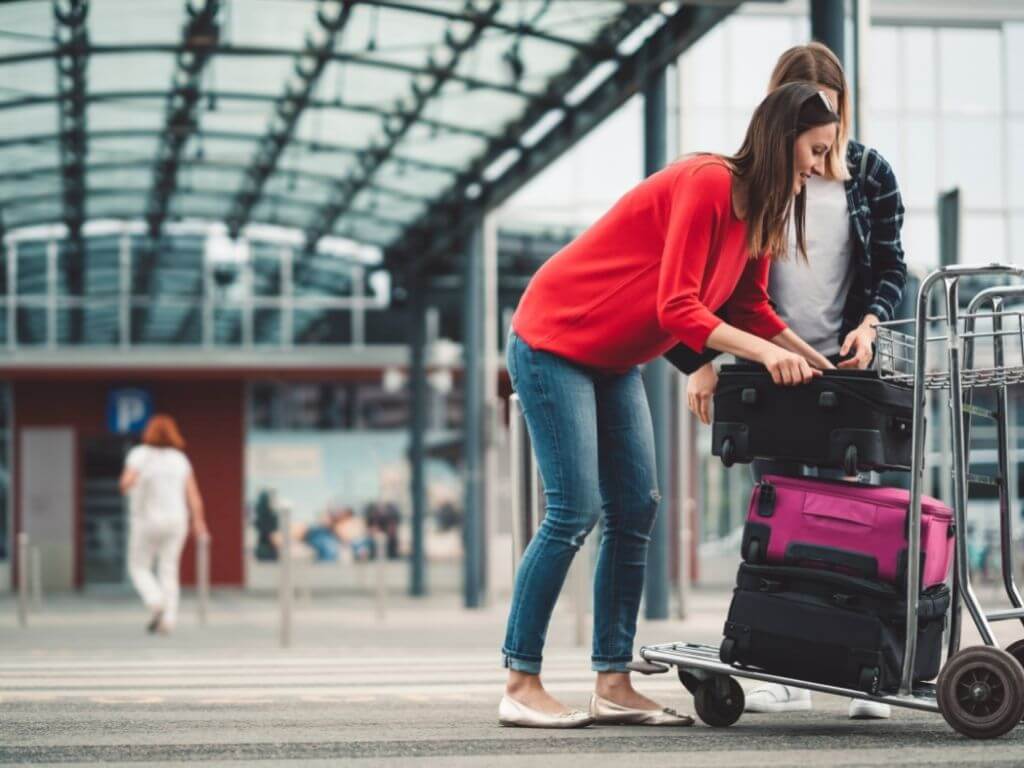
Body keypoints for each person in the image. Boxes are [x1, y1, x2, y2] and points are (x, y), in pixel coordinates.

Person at [500, 82, 840, 729]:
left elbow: (752, 310)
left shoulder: (760, 215)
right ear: (782, 138)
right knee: (575, 508)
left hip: (611, 356)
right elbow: (678, 307)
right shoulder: (708, 184)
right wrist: (764, 357)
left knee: (636, 506)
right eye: (815, 151)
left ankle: (612, 680)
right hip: (553, 337)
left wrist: (816, 359)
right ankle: (520, 679)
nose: (819, 169)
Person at [685, 43, 907, 720]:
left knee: (856, 513)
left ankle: (861, 666)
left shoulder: (869, 174)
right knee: (780, 513)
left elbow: (894, 267)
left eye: (831, 115)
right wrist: (702, 360)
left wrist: (871, 326)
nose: (823, 135)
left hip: (847, 371)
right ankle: (785, 666)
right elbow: (711, 280)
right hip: (765, 361)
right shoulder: (751, 178)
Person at [120, 414, 208, 634]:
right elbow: (193, 495)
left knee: (139, 566)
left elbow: (125, 484)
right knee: (169, 569)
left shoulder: (140, 455)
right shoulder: (180, 459)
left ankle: (155, 600)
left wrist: (139, 478)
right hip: (177, 520)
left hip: (146, 520)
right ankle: (168, 619)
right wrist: (199, 522)